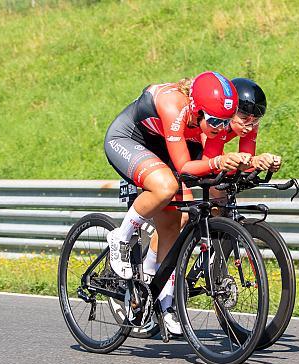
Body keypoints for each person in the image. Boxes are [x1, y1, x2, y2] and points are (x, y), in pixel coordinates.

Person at [104, 71, 249, 334]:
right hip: (129, 140)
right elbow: (184, 167)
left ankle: (161, 298)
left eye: (225, 122)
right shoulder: (174, 105)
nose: (220, 128)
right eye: (215, 121)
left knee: (175, 223)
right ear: (197, 109)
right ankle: (121, 237)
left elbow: (207, 165)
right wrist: (217, 162)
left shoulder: (210, 120)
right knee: (166, 186)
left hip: (164, 147)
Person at [141, 77, 282, 281]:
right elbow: (211, 162)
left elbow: (244, 161)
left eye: (255, 120)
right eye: (243, 117)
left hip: (199, 154)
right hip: (178, 152)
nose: (249, 126)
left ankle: (209, 249)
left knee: (219, 200)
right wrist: (242, 162)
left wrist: (261, 161)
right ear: (230, 111)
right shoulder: (218, 122)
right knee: (180, 215)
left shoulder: (248, 124)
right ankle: (149, 270)